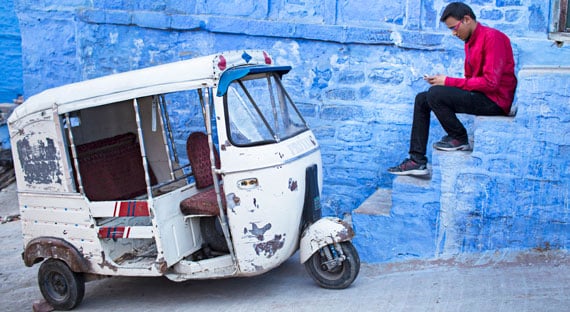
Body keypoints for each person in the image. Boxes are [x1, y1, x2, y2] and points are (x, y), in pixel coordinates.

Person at [388, 2, 517, 176]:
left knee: (436, 93)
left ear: (466, 19)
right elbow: (471, 80)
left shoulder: (493, 38)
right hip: (481, 96)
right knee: (422, 98)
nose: (454, 33)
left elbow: (491, 83)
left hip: (496, 102)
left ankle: (459, 137)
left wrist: (447, 82)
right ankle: (416, 160)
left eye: (454, 28)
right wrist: (443, 82)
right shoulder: (470, 42)